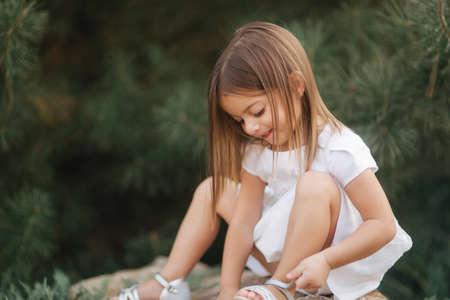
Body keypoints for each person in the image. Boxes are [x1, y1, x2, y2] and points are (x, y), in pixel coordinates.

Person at [114, 22, 412, 300]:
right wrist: (228, 290)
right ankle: (168, 283)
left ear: (296, 85)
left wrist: (325, 259)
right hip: (278, 259)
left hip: (323, 265)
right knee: (212, 189)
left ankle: (281, 289)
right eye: (238, 119)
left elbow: (382, 225)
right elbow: (243, 223)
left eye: (257, 112)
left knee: (315, 184)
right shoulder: (257, 151)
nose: (250, 127)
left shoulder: (338, 146)